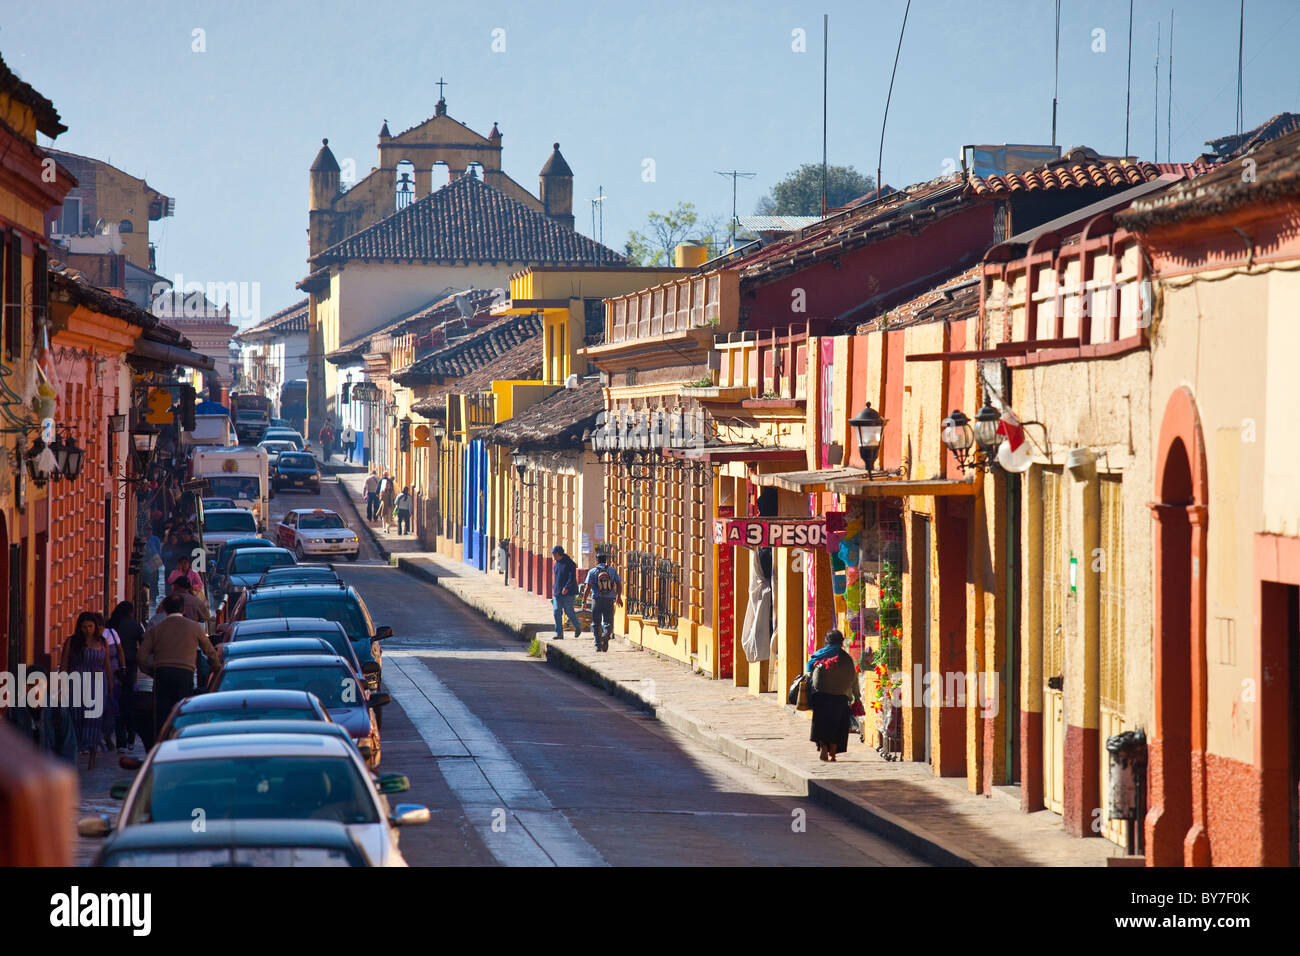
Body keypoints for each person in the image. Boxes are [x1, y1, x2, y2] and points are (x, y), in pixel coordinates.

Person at [138, 595, 219, 739]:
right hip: (185, 673)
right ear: (183, 609)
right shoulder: (194, 627)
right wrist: (217, 669)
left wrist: (152, 671)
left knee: (162, 713)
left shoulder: (157, 629)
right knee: (183, 711)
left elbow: (142, 657)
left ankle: (162, 741)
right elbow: (210, 652)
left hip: (162, 673)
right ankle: (181, 738)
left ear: (165, 609)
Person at [58, 612, 116, 769]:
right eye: (84, 627)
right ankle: (74, 754)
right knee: (76, 719)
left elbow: (107, 666)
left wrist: (111, 686)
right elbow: (64, 665)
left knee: (94, 721)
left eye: (90, 626)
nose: (87, 630)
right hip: (76, 684)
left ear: (96, 627)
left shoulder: (102, 642)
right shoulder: (72, 642)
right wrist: (62, 686)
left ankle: (92, 757)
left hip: (97, 685)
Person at [806, 629, 863, 763]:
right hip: (840, 697)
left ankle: (823, 747)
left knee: (821, 724)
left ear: (827, 641)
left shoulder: (819, 655)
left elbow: (809, 674)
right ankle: (833, 752)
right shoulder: (846, 658)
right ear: (841, 642)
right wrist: (857, 696)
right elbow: (853, 679)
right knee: (838, 725)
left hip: (821, 696)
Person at [106, 601, 144, 753]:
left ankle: (118, 739)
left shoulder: (110, 625)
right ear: (130, 612)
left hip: (111, 669)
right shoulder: (135, 626)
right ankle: (130, 737)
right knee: (129, 703)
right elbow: (143, 645)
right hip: (129, 668)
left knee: (116, 704)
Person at [581, 550, 621, 653]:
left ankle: (597, 645)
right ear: (606, 561)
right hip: (609, 600)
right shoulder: (612, 570)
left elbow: (587, 587)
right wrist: (619, 597)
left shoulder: (592, 571)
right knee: (608, 621)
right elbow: (619, 584)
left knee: (596, 622)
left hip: (597, 600)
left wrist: (584, 601)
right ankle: (606, 635)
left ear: (597, 561)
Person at [550, 545, 581, 640]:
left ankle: (577, 627)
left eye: (554, 554)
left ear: (558, 554)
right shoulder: (556, 564)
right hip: (557, 593)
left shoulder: (570, 563)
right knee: (556, 612)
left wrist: (567, 587)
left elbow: (572, 577)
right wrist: (554, 588)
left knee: (569, 612)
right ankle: (559, 633)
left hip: (568, 593)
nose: (553, 556)